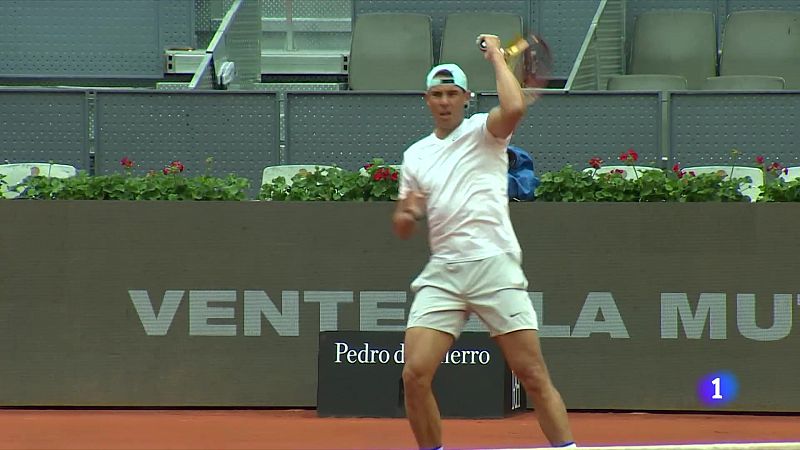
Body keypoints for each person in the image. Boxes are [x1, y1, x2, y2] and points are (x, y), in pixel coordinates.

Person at [392, 34, 575, 450]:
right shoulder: (415, 156)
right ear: (426, 99)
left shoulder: (484, 132)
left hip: (494, 265)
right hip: (444, 274)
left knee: (532, 375)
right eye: (436, 94)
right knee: (414, 374)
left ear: (465, 98)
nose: (444, 101)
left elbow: (513, 107)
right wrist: (406, 215)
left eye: (451, 93)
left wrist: (496, 55)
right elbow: (403, 226)